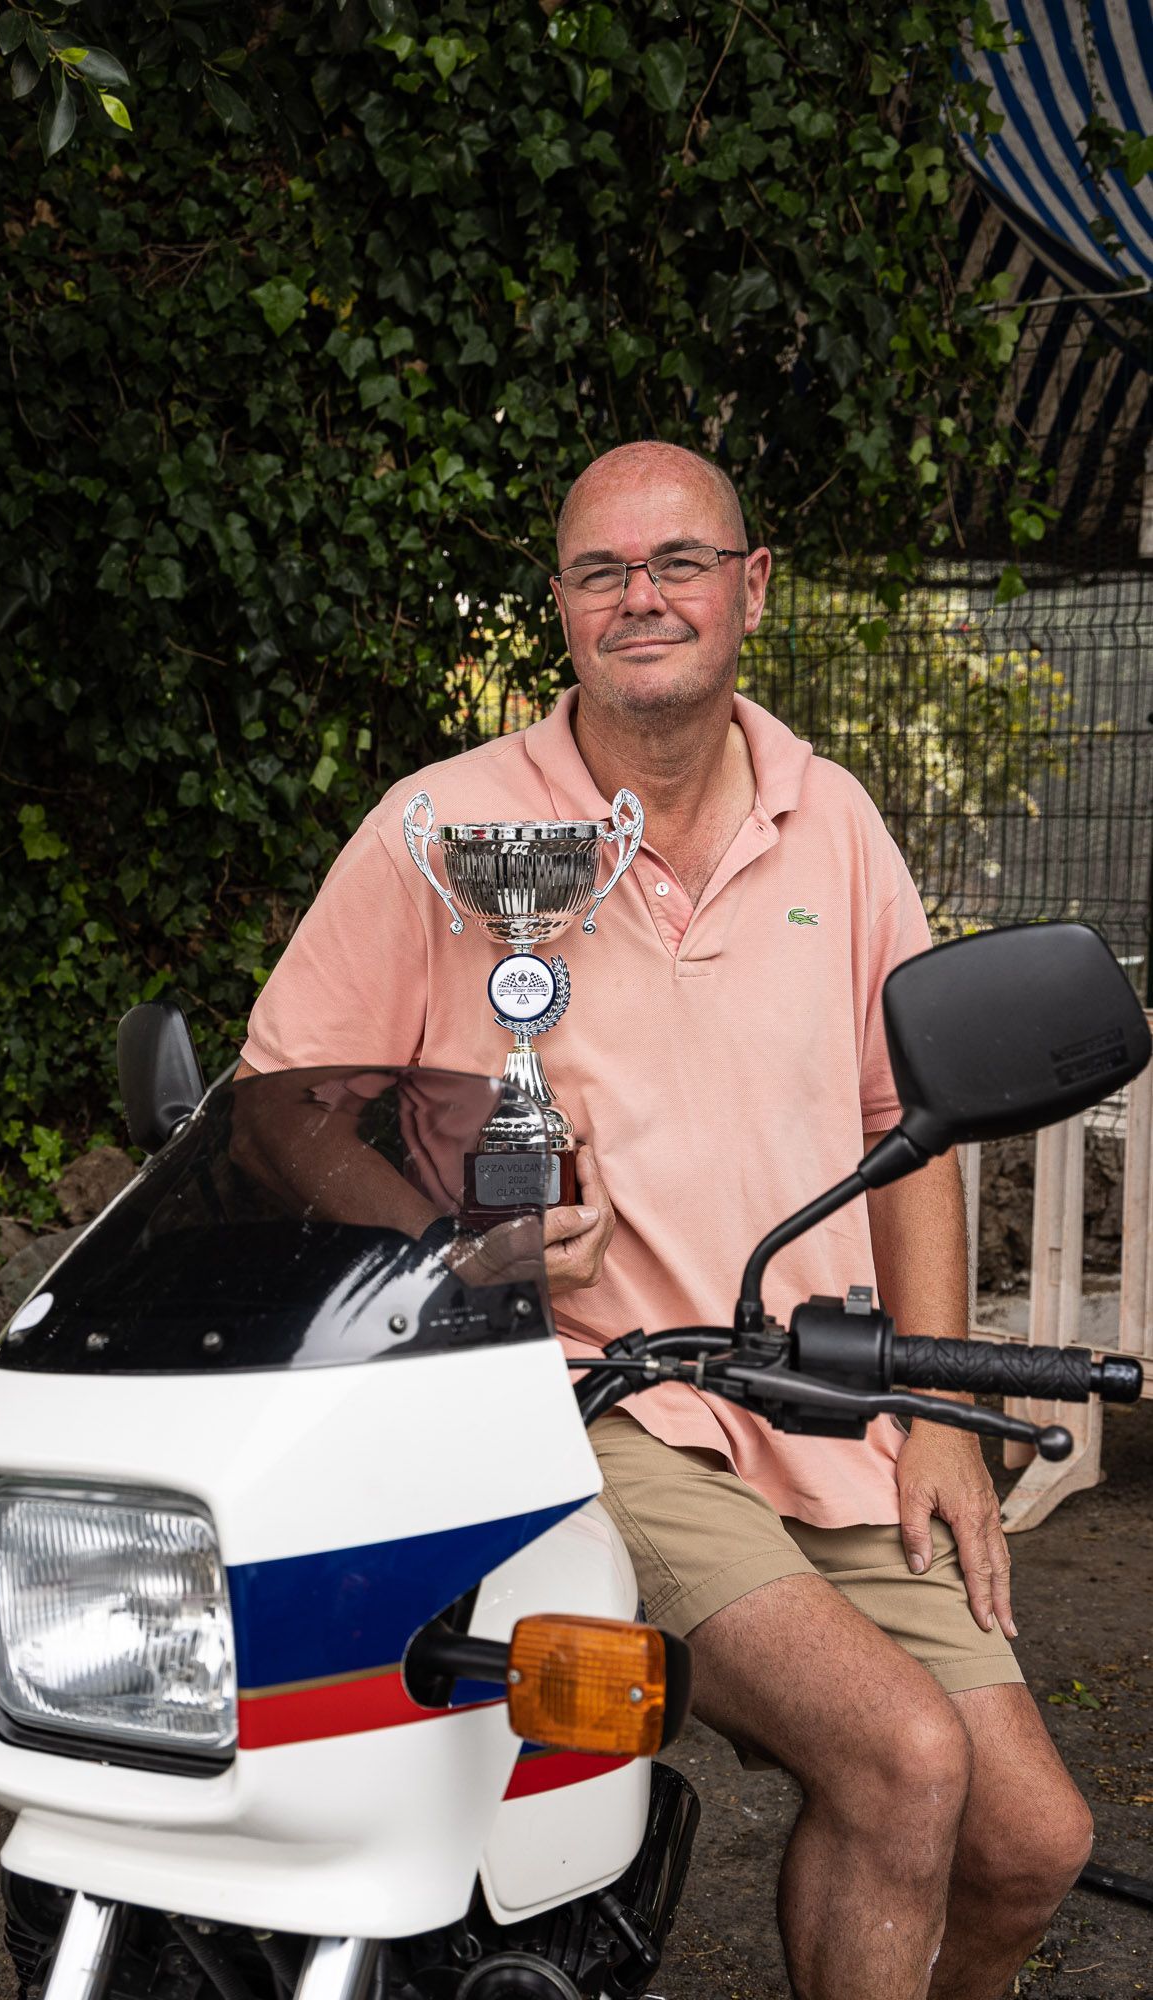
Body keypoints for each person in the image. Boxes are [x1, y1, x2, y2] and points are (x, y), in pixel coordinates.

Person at [237, 441, 1093, 2000]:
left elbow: (905, 1131)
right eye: (599, 571)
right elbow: (282, 1098)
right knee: (900, 1760)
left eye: (678, 561)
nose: (642, 598)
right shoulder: (446, 825)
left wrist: (949, 1412)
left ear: (749, 587)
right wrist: (443, 1242)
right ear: (559, 608)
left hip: (824, 1398)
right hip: (589, 1398)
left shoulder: (830, 820)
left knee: (1024, 1842)